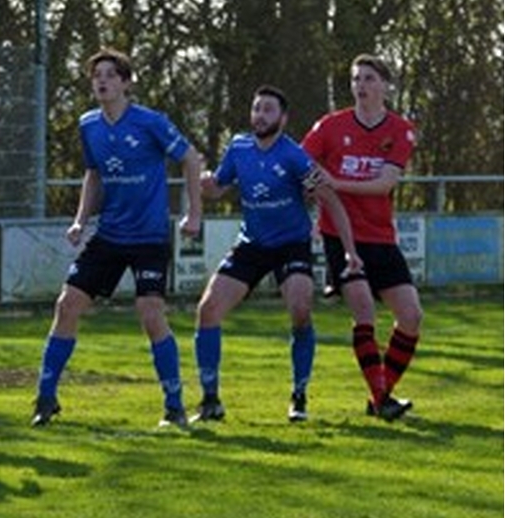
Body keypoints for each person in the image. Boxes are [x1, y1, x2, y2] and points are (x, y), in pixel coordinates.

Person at [30, 47, 203, 430]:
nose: (102, 81)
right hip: (109, 235)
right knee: (67, 304)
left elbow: (191, 158)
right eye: (96, 76)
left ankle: (174, 405)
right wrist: (80, 221)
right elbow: (93, 175)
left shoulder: (150, 123)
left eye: (110, 74)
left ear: (125, 83)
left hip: (149, 238)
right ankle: (45, 397)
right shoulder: (89, 125)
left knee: (150, 312)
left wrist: (194, 212)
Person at [191, 86, 362, 424]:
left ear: (282, 119)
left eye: (268, 110)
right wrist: (202, 179)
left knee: (300, 309)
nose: (260, 116)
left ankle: (299, 396)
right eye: (256, 109)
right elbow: (218, 188)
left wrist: (350, 252)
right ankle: (210, 401)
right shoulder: (238, 148)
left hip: (291, 244)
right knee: (208, 310)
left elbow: (332, 201)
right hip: (252, 244)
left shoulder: (295, 156)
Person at [302, 54, 422, 421]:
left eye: (369, 79)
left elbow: (385, 183)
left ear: (386, 86)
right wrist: (312, 190)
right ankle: (382, 400)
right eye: (356, 79)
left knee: (412, 316)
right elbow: (300, 164)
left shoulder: (400, 130)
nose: (361, 86)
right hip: (341, 235)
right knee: (365, 313)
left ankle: (380, 395)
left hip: (381, 237)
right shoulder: (330, 126)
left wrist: (334, 182)